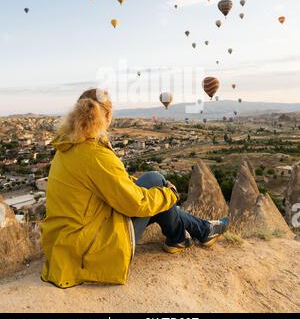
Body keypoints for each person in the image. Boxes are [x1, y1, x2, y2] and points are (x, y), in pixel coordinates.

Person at [41, 88, 229, 288]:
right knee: (155, 180)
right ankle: (191, 233)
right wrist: (169, 194)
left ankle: (187, 235)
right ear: (108, 116)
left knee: (152, 188)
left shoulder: (67, 147)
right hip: (87, 250)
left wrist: (156, 194)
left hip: (65, 244)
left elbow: (114, 181)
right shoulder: (94, 154)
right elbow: (135, 204)